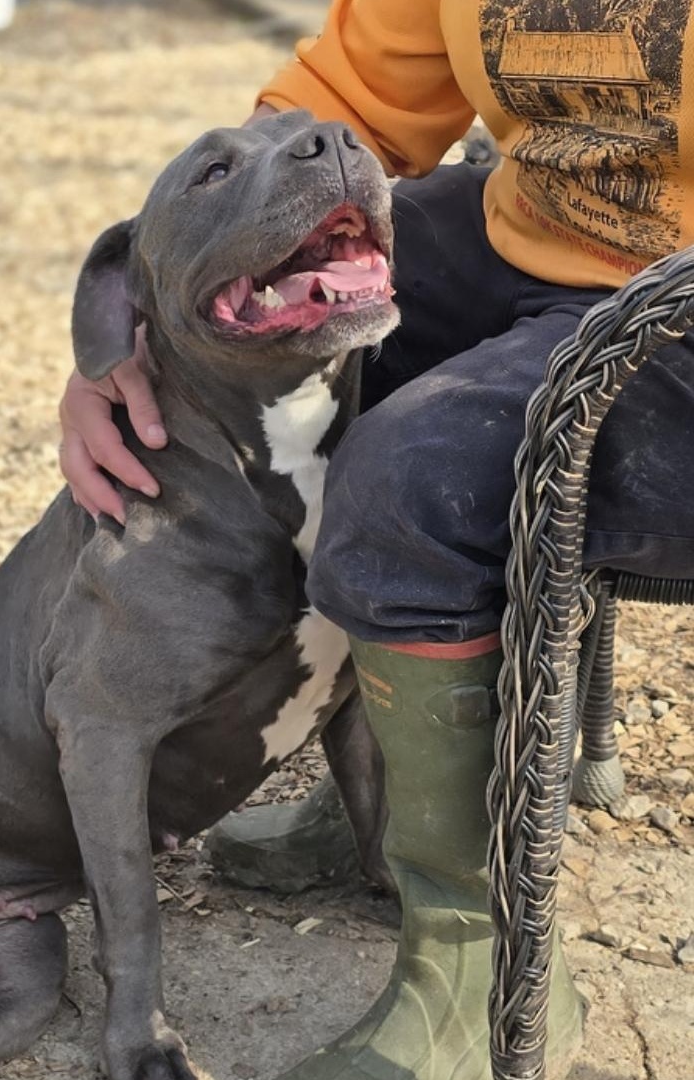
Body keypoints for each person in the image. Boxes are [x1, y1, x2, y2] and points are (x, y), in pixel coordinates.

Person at [57, 2, 694, 1077]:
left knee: (413, 479)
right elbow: (345, 102)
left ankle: (477, 956)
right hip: (542, 241)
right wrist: (133, 320)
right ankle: (394, 806)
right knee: (265, 329)